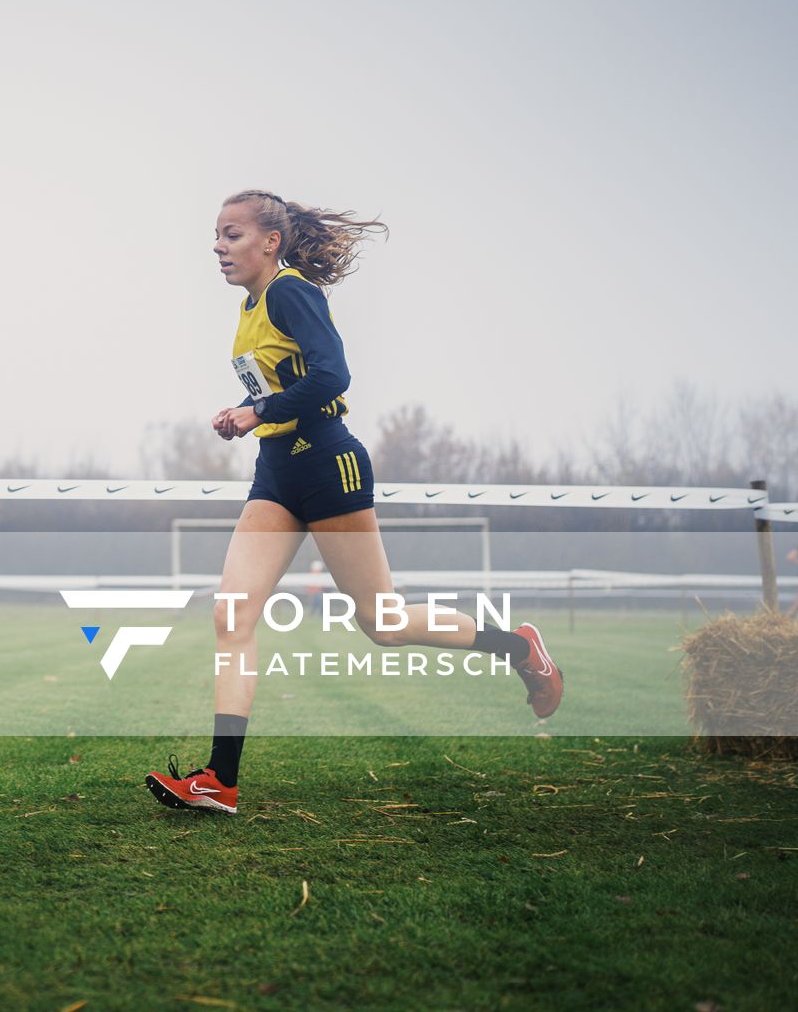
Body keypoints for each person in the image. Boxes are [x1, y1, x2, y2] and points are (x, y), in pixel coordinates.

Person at [146, 190, 563, 816]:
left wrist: (255, 409)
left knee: (383, 624)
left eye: (231, 234)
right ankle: (219, 781)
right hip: (277, 474)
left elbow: (333, 376)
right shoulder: (250, 305)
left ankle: (519, 648)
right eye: (216, 234)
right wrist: (251, 418)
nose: (217, 246)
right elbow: (286, 382)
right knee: (231, 616)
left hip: (328, 466)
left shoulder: (291, 292)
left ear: (270, 242)